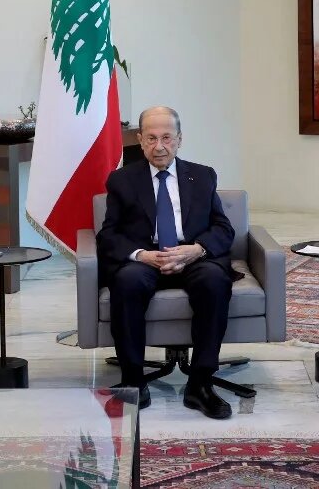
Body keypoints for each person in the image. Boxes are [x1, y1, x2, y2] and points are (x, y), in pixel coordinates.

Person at [97, 106, 236, 419]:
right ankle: (133, 381)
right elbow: (109, 234)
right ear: (140, 140)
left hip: (191, 256)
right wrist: (142, 255)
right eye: (151, 138)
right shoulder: (122, 180)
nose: (159, 146)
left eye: (166, 138)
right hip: (146, 259)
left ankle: (200, 384)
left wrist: (196, 250)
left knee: (214, 282)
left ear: (179, 139)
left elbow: (223, 228)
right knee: (126, 282)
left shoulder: (202, 175)